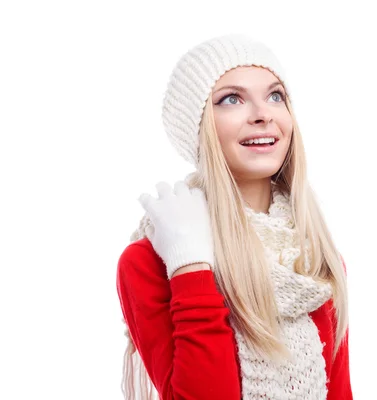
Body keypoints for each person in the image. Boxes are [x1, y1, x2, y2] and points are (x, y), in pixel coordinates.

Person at [116, 34, 353, 400]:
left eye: (276, 96)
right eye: (231, 99)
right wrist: (189, 266)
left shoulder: (316, 258)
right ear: (198, 130)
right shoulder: (149, 262)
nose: (263, 114)